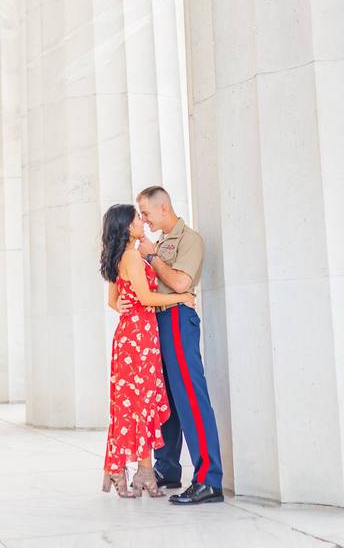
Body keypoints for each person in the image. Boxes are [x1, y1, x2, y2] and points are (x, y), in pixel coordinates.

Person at [117, 186, 225, 505]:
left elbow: (180, 283)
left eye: (146, 213)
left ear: (163, 208)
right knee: (164, 402)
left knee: (191, 398)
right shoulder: (161, 242)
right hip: (156, 322)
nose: (144, 220)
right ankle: (167, 469)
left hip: (177, 319)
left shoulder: (189, 239)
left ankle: (209, 480)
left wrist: (151, 257)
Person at [100, 204, 196, 498]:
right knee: (139, 403)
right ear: (128, 227)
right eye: (136, 218)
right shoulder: (130, 256)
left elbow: (113, 301)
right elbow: (143, 297)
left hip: (135, 336)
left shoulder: (126, 255)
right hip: (138, 338)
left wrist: (122, 307)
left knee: (136, 403)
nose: (142, 220)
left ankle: (138, 470)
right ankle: (135, 470)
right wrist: (183, 297)